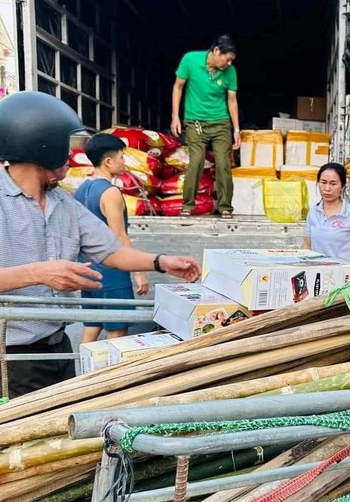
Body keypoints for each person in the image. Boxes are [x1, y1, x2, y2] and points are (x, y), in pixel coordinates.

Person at [0, 91, 201, 398]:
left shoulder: (63, 203)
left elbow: (111, 251)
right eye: (65, 147)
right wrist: (39, 273)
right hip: (10, 356)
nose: (71, 157)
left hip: (57, 345)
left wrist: (161, 262)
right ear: (40, 143)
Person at [74, 134, 149, 344]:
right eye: (122, 157)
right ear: (108, 161)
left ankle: (83, 375)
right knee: (117, 331)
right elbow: (119, 236)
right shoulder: (110, 193)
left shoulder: (80, 190)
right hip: (112, 272)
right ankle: (113, 376)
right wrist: (139, 272)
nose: (124, 162)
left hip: (88, 270)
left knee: (92, 325)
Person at [170, 34, 241, 218]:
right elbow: (178, 87)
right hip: (195, 123)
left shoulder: (230, 72)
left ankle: (225, 206)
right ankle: (187, 205)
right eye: (228, 59)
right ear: (216, 51)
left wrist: (236, 129)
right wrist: (175, 116)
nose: (229, 64)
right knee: (196, 161)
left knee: (224, 163)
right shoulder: (190, 60)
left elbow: (232, 100)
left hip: (220, 123)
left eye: (232, 60)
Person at [305, 163, 350, 264]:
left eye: (333, 184)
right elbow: (308, 246)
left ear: (342, 186)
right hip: (317, 274)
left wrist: (348, 272)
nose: (327, 188)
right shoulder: (313, 212)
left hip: (344, 275)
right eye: (323, 182)